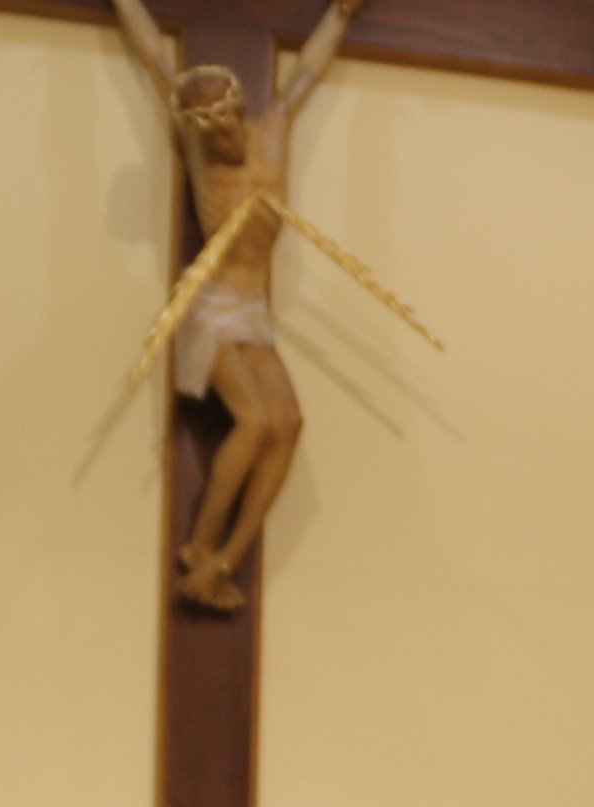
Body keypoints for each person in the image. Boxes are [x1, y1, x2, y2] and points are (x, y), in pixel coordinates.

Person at [107, 0, 364, 611]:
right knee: (254, 422)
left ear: (242, 111)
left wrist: (341, 14)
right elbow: (152, 53)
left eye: (227, 127)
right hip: (212, 303)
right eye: (209, 133)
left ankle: (225, 560)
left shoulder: (273, 133)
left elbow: (308, 72)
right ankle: (199, 545)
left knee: (288, 425)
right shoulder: (199, 149)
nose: (222, 141)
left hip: (254, 310)